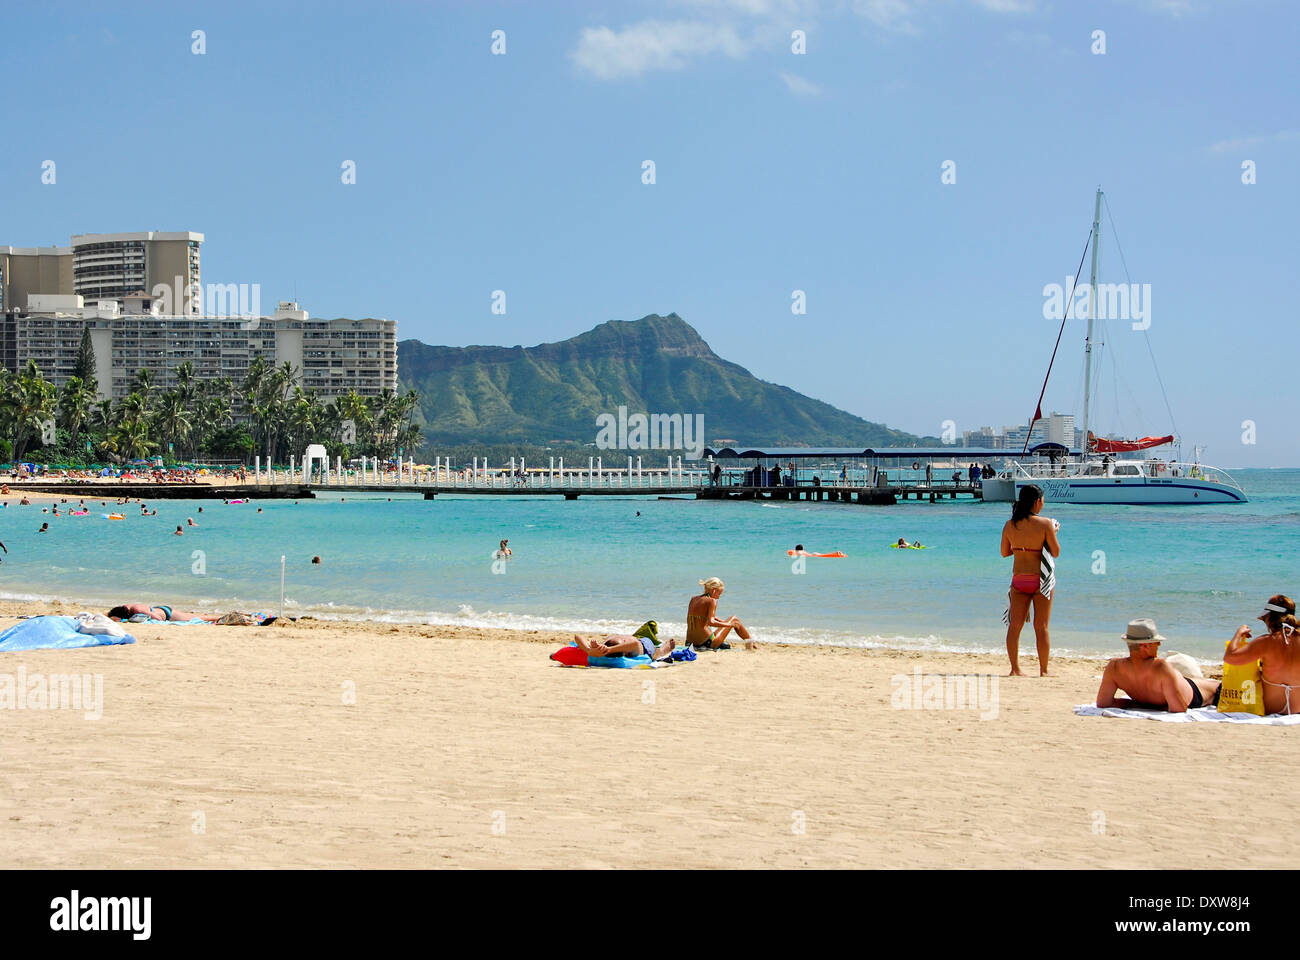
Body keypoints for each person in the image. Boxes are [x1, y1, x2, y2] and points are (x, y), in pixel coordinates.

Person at [1000, 483, 1060, 676]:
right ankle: (1044, 670)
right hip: (1040, 580)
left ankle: (1015, 669)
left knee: (1015, 626)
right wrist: (1053, 533)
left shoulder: (1010, 524)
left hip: (1019, 579)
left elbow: (1004, 552)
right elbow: (1056, 552)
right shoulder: (1045, 524)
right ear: (1037, 502)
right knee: (1041, 626)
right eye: (1042, 501)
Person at [1096, 619, 1221, 712]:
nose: (1159, 645)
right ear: (1145, 646)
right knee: (1219, 686)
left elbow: (1103, 703)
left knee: (1202, 681)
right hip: (1202, 694)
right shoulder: (1160, 667)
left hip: (1188, 685)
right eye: (1157, 643)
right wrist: (1153, 706)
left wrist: (1136, 704)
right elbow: (1179, 708)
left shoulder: (1114, 667)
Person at [1224, 595, 1300, 715]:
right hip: (1297, 710)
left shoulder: (1266, 641)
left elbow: (1230, 658)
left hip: (1271, 709)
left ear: (1270, 618)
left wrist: (1239, 634)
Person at [687, 577, 755, 650]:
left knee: (731, 621)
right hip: (706, 643)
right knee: (734, 619)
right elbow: (711, 622)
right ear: (714, 590)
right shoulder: (712, 601)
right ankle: (752, 645)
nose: (718, 597)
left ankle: (751, 644)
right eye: (719, 594)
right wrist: (729, 625)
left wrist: (722, 622)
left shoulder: (693, 599)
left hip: (689, 642)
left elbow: (702, 616)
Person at [572, 633, 677, 662]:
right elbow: (635, 643)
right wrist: (609, 650)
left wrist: (589, 650)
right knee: (656, 654)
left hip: (610, 647)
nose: (623, 640)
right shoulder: (633, 649)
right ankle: (665, 648)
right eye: (622, 642)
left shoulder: (604, 646)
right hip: (646, 646)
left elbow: (577, 636)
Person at [108, 603, 220, 623]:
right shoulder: (128, 607)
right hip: (160, 609)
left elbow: (158, 619)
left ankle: (218, 617)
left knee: (197, 618)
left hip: (167, 614)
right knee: (194, 616)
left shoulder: (138, 610)